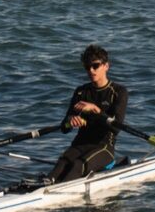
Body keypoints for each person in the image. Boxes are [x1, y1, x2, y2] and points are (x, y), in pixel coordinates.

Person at [42, 44, 128, 186]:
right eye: (87, 67)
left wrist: (96, 110)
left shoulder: (118, 92)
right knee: (60, 166)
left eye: (95, 66)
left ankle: (57, 194)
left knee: (77, 165)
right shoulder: (81, 92)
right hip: (80, 143)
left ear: (106, 66)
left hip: (104, 146)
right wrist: (71, 121)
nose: (91, 70)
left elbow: (116, 127)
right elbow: (65, 127)